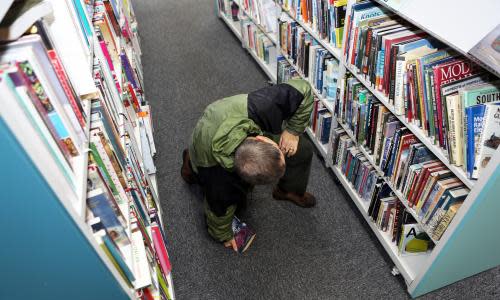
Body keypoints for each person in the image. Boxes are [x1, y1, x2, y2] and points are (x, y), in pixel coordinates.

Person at [181, 79, 316, 252]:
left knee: (302, 149)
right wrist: (225, 236)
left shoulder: (261, 105)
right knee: (221, 194)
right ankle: (189, 165)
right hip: (203, 150)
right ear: (261, 137)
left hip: (231, 116)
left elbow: (303, 88)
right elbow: (217, 213)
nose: (282, 148)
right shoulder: (222, 183)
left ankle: (287, 190)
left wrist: (292, 131)